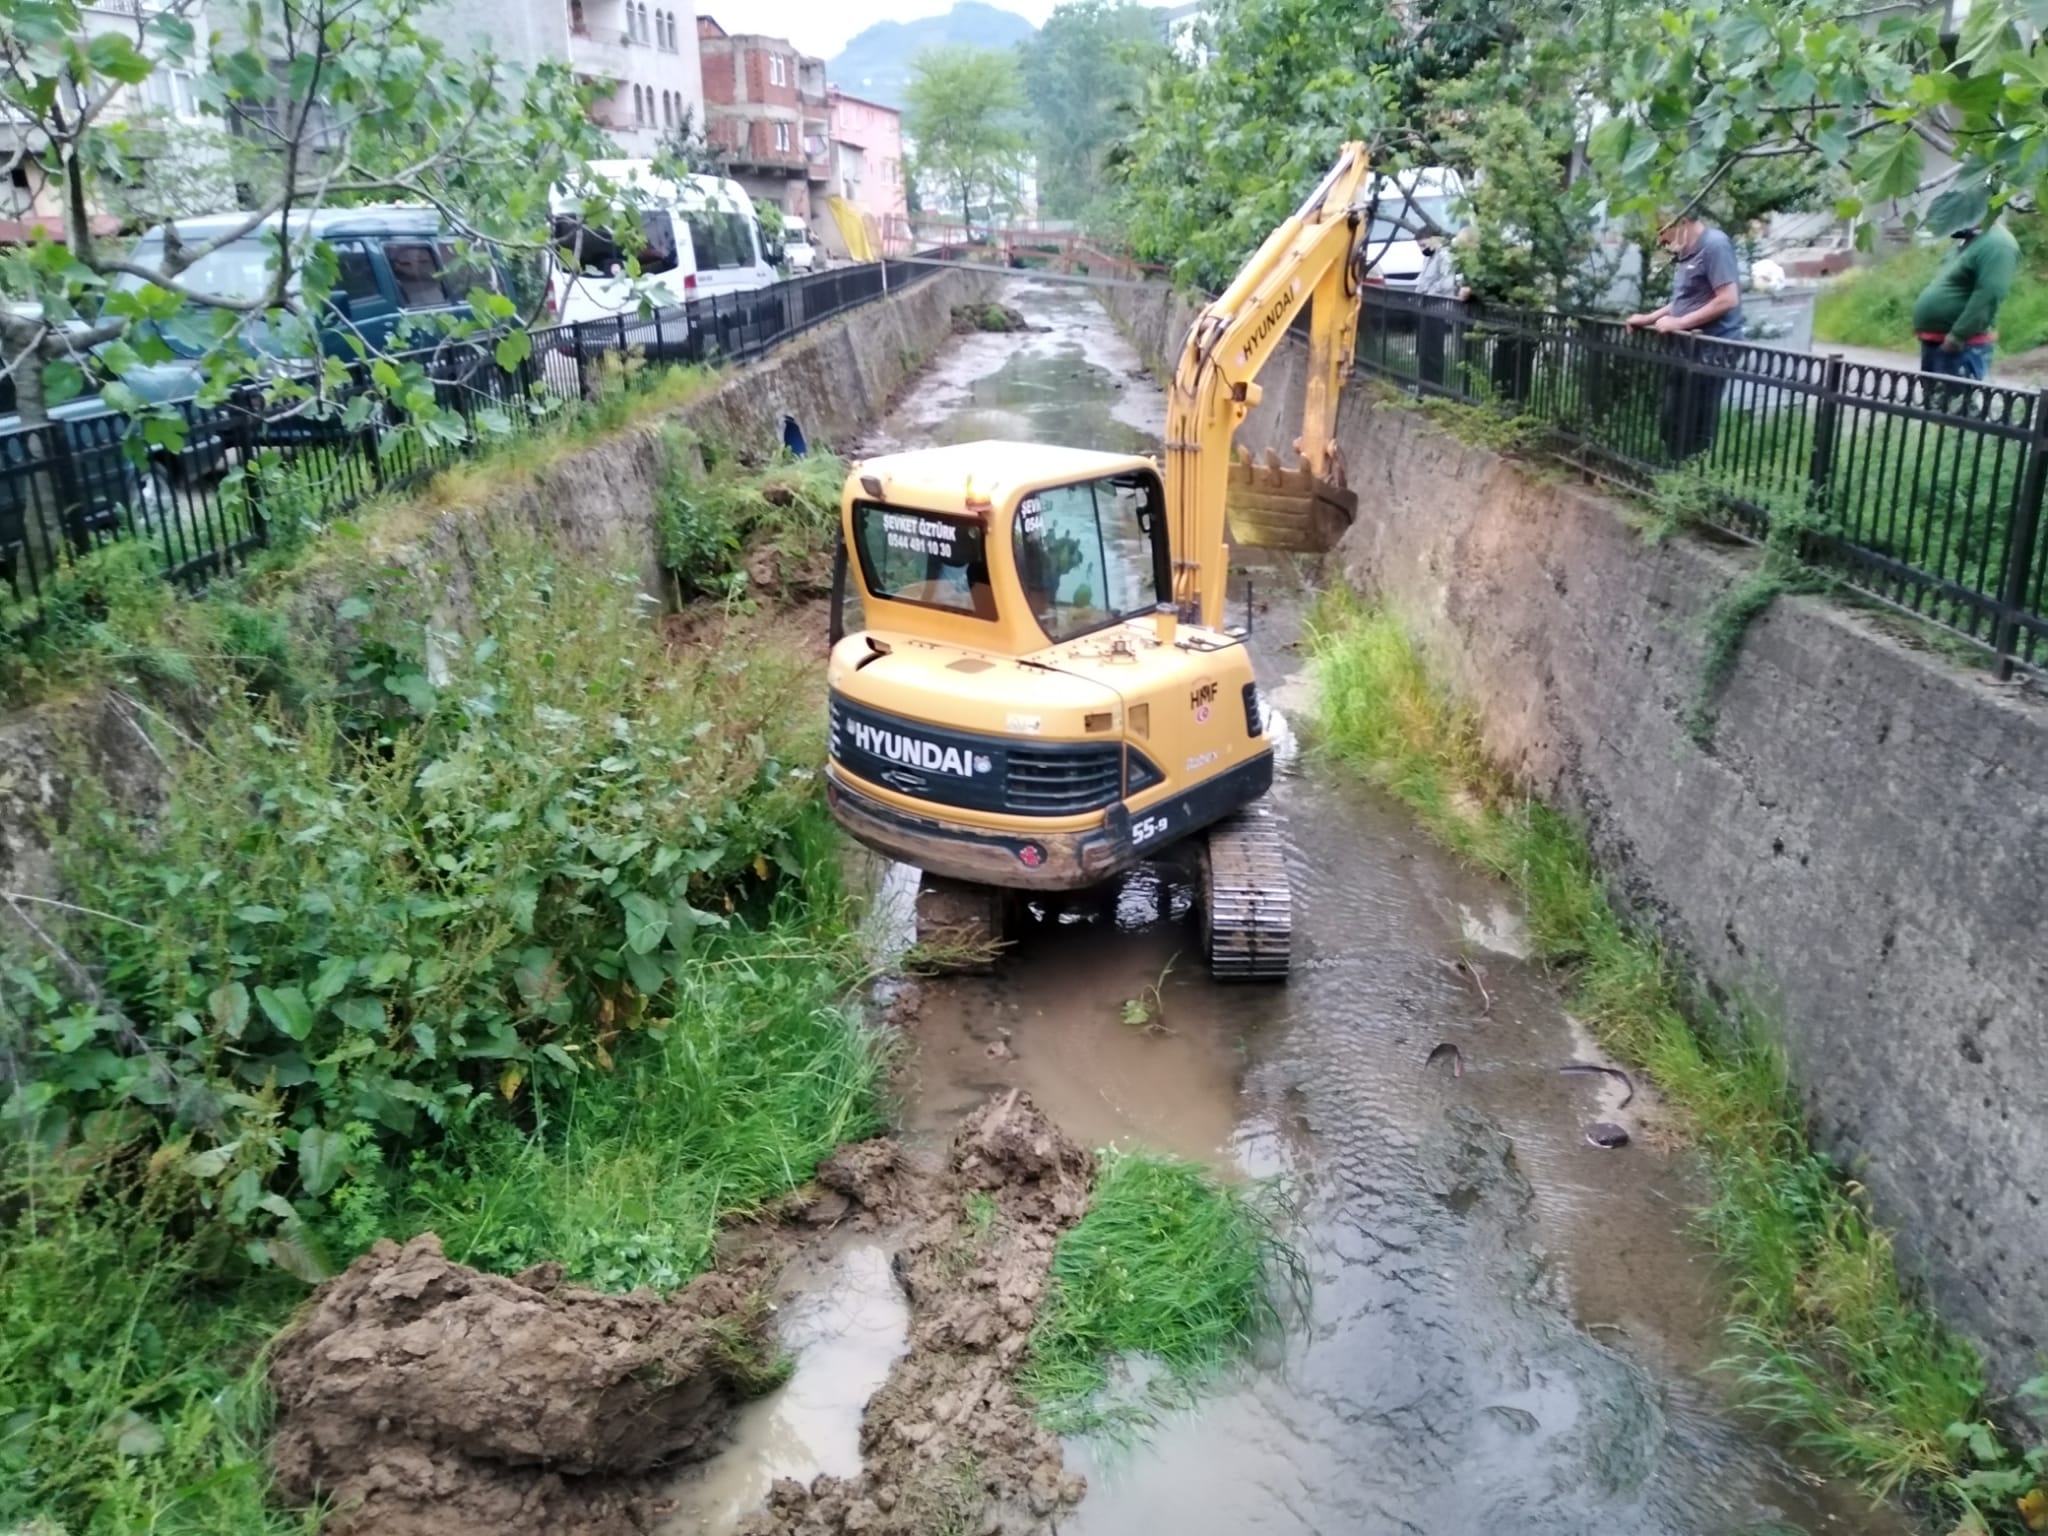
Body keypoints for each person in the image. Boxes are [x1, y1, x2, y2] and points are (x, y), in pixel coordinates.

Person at [1626, 210, 1745, 461]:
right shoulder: (1686, 252)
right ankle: (1674, 474)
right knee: (1672, 421)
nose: (1661, 239)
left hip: (1713, 350)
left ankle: (1691, 479)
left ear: (1681, 221)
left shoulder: (1715, 245)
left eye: (1662, 230)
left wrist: (1679, 322)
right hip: (1687, 349)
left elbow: (1727, 299)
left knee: (1695, 426)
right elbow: (1686, 301)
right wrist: (1649, 318)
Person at [1911, 216, 2019, 386]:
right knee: (1933, 407)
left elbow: (1989, 294)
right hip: (1936, 342)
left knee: (1956, 406)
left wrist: (1957, 337)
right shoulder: (1968, 241)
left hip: (1962, 346)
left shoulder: (1998, 243)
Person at [1413, 228, 1468, 391]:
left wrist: (1428, 293)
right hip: (1427, 306)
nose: (1422, 250)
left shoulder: (1444, 256)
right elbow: (1424, 279)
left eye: (1423, 245)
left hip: (1438, 306)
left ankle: (1434, 388)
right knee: (1424, 350)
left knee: (1433, 351)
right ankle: (1423, 385)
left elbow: (1446, 283)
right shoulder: (1430, 257)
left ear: (1434, 239)